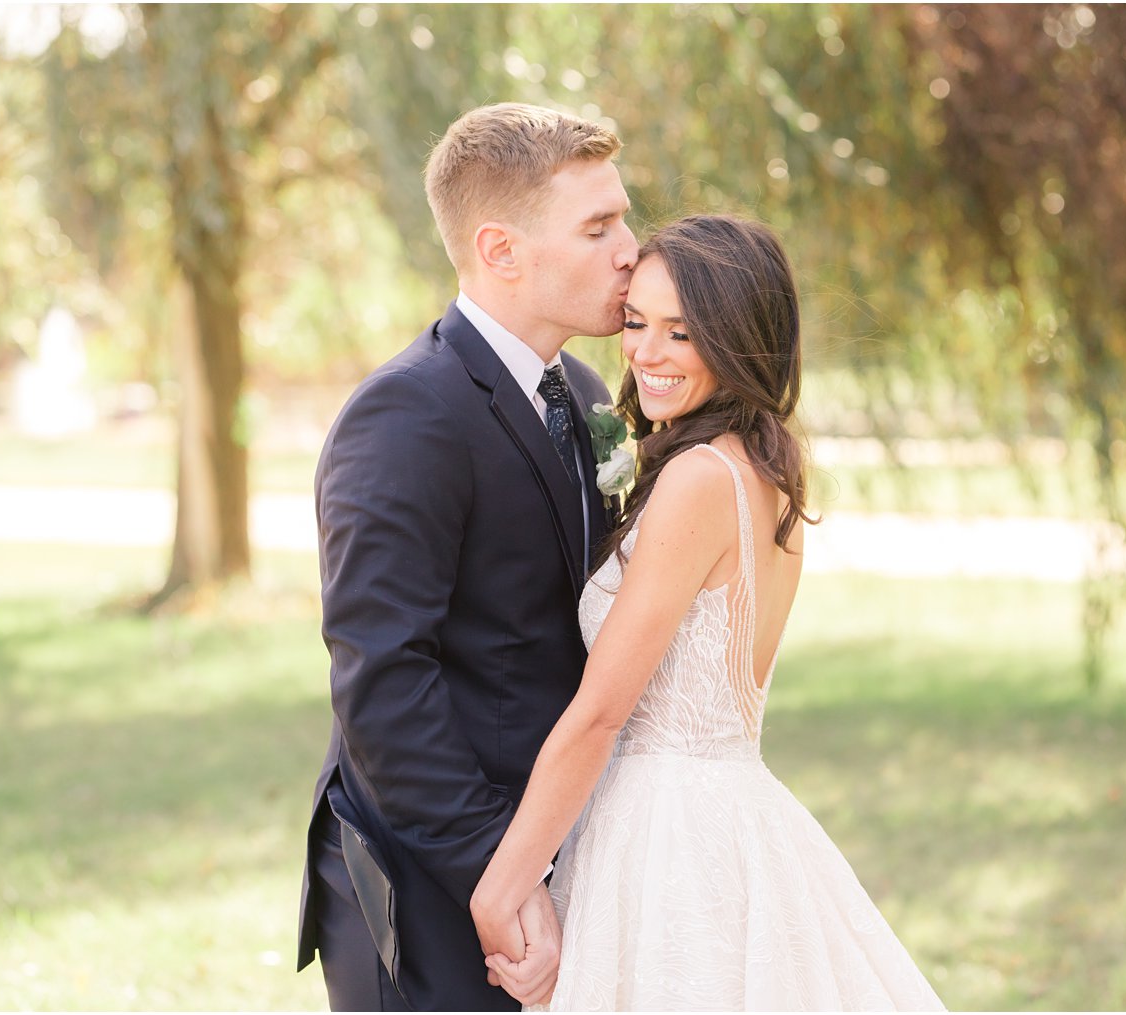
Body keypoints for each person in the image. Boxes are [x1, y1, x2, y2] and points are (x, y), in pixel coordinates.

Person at [468, 215, 947, 1011]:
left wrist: (500, 890)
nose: (646, 353)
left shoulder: (698, 479)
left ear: (738, 340)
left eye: (681, 334)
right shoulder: (762, 466)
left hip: (670, 839)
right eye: (635, 322)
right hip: (727, 815)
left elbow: (600, 713)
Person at [295, 103, 637, 1011]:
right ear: (500, 250)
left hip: (557, 851)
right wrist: (505, 875)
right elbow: (382, 680)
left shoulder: (590, 393)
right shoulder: (406, 414)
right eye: (598, 227)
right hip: (436, 888)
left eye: (625, 219)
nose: (630, 250)